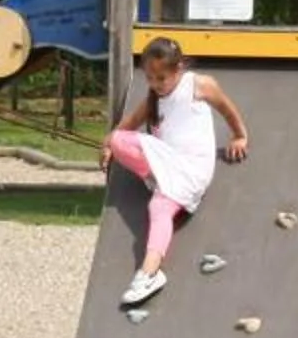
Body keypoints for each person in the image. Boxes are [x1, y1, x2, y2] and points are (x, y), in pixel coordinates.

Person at [101, 36, 248, 307]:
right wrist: (109, 146)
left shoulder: (199, 84)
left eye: (161, 78)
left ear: (178, 68)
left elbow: (227, 108)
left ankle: (148, 271)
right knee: (120, 144)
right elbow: (128, 125)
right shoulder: (153, 99)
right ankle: (150, 273)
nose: (156, 84)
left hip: (192, 169)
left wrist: (240, 136)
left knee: (155, 203)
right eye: (150, 78)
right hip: (167, 163)